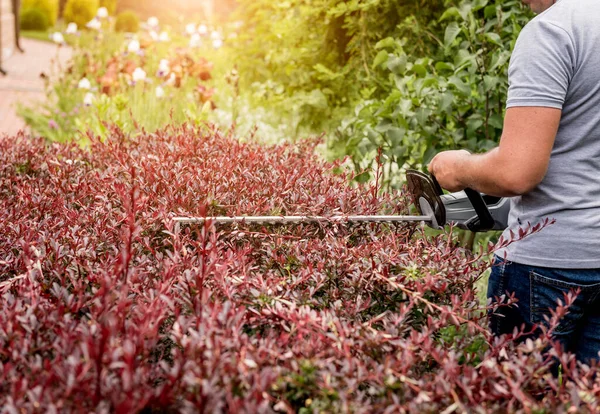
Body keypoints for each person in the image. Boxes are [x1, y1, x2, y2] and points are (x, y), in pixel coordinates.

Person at [428, 0, 600, 364]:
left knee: (521, 397)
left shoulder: (552, 31)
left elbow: (516, 173)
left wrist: (459, 167)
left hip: (548, 267)